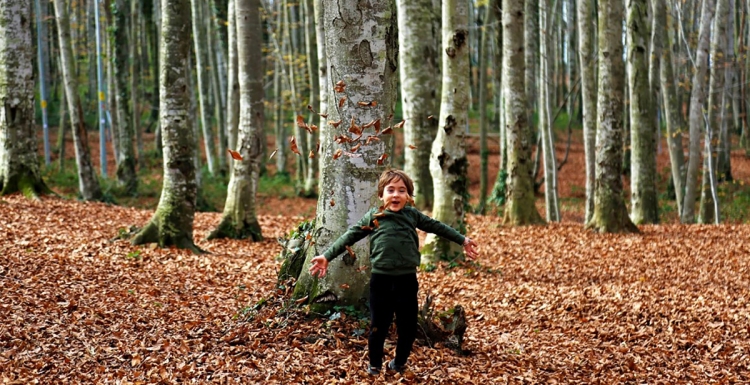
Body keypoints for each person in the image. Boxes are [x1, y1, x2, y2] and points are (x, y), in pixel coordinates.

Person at [309, 169, 480, 375]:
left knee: (407, 328)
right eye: (391, 190)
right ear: (381, 195)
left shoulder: (412, 215)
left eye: (402, 190)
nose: (396, 195)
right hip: (380, 282)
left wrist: (463, 240)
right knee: (378, 327)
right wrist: (326, 256)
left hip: (407, 281)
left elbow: (437, 227)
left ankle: (398, 364)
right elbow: (350, 236)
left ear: (408, 196)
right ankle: (374, 366)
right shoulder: (374, 216)